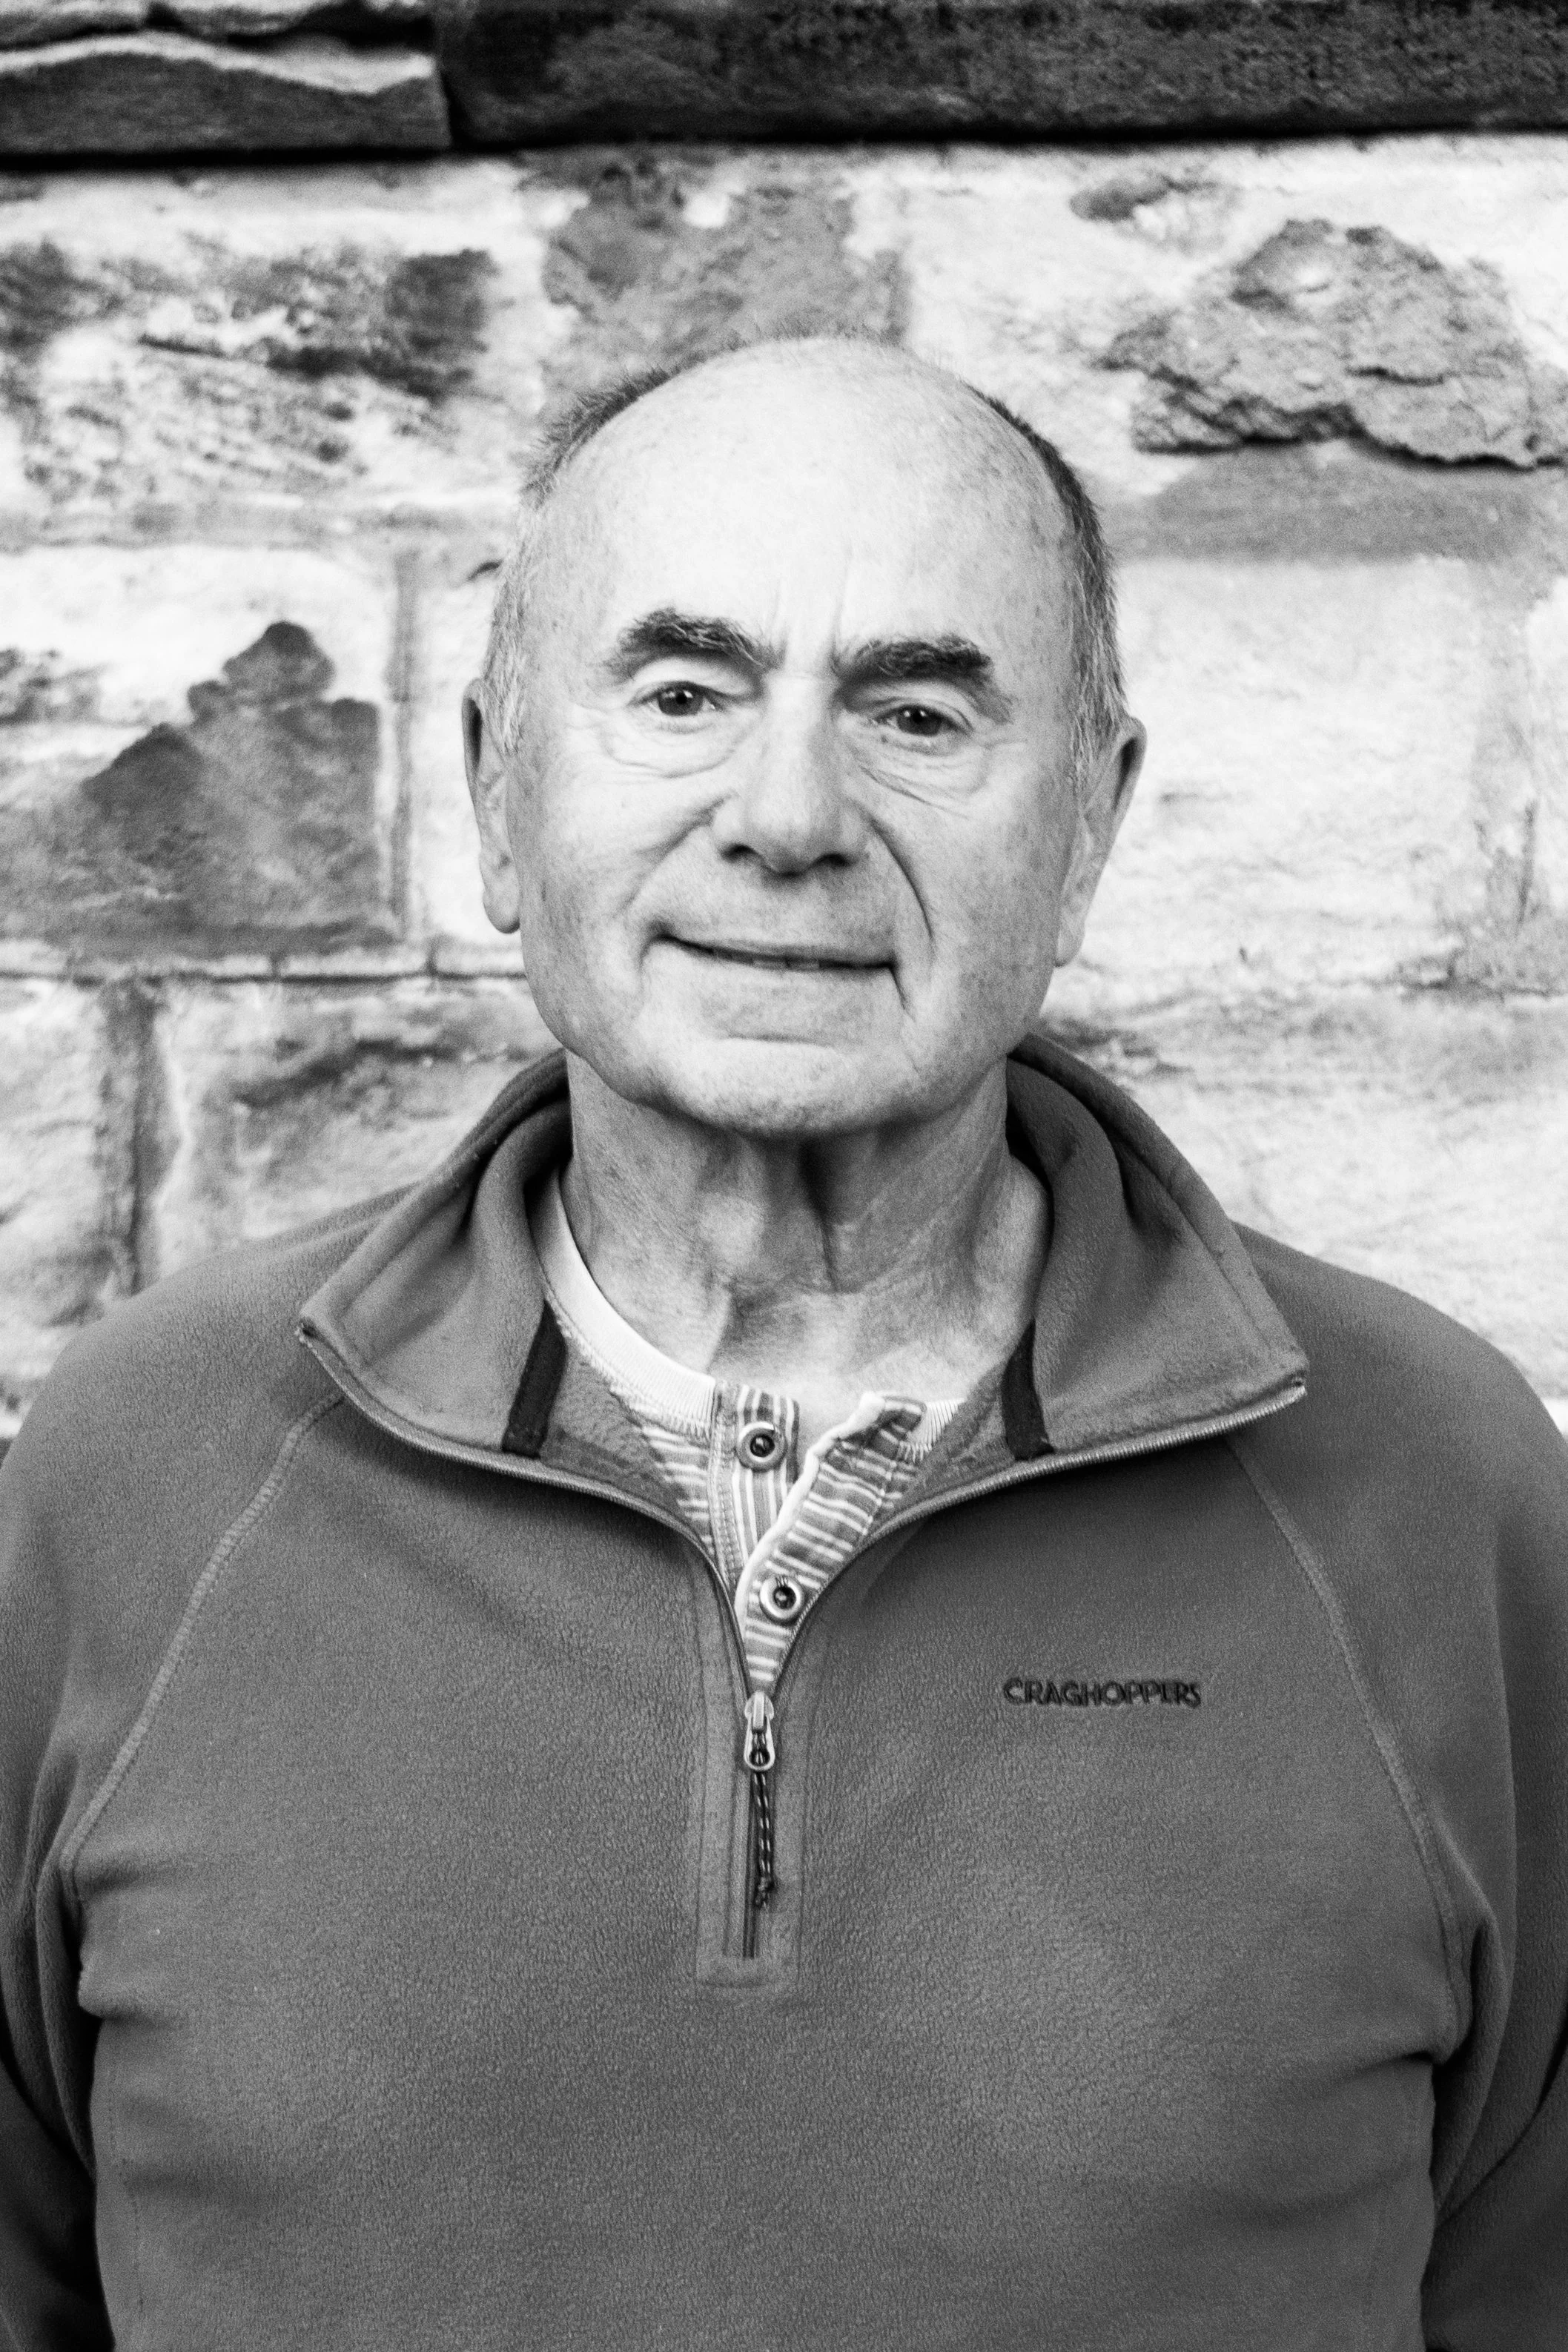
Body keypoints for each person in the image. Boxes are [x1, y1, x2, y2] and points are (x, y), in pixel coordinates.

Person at [1, 337, 1564, 2351]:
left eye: (916, 710)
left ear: (1089, 823)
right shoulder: (138, 1476)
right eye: (680, 695)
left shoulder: (1437, 1492)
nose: (791, 813)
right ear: (493, 785)